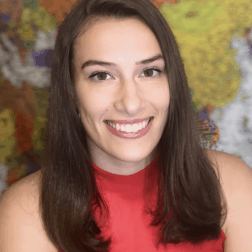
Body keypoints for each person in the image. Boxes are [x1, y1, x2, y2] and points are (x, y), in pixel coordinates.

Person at [1, 0, 252, 251]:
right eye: (101, 75)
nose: (131, 104)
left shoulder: (231, 183)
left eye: (150, 71)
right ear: (71, 93)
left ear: (172, 83)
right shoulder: (26, 211)